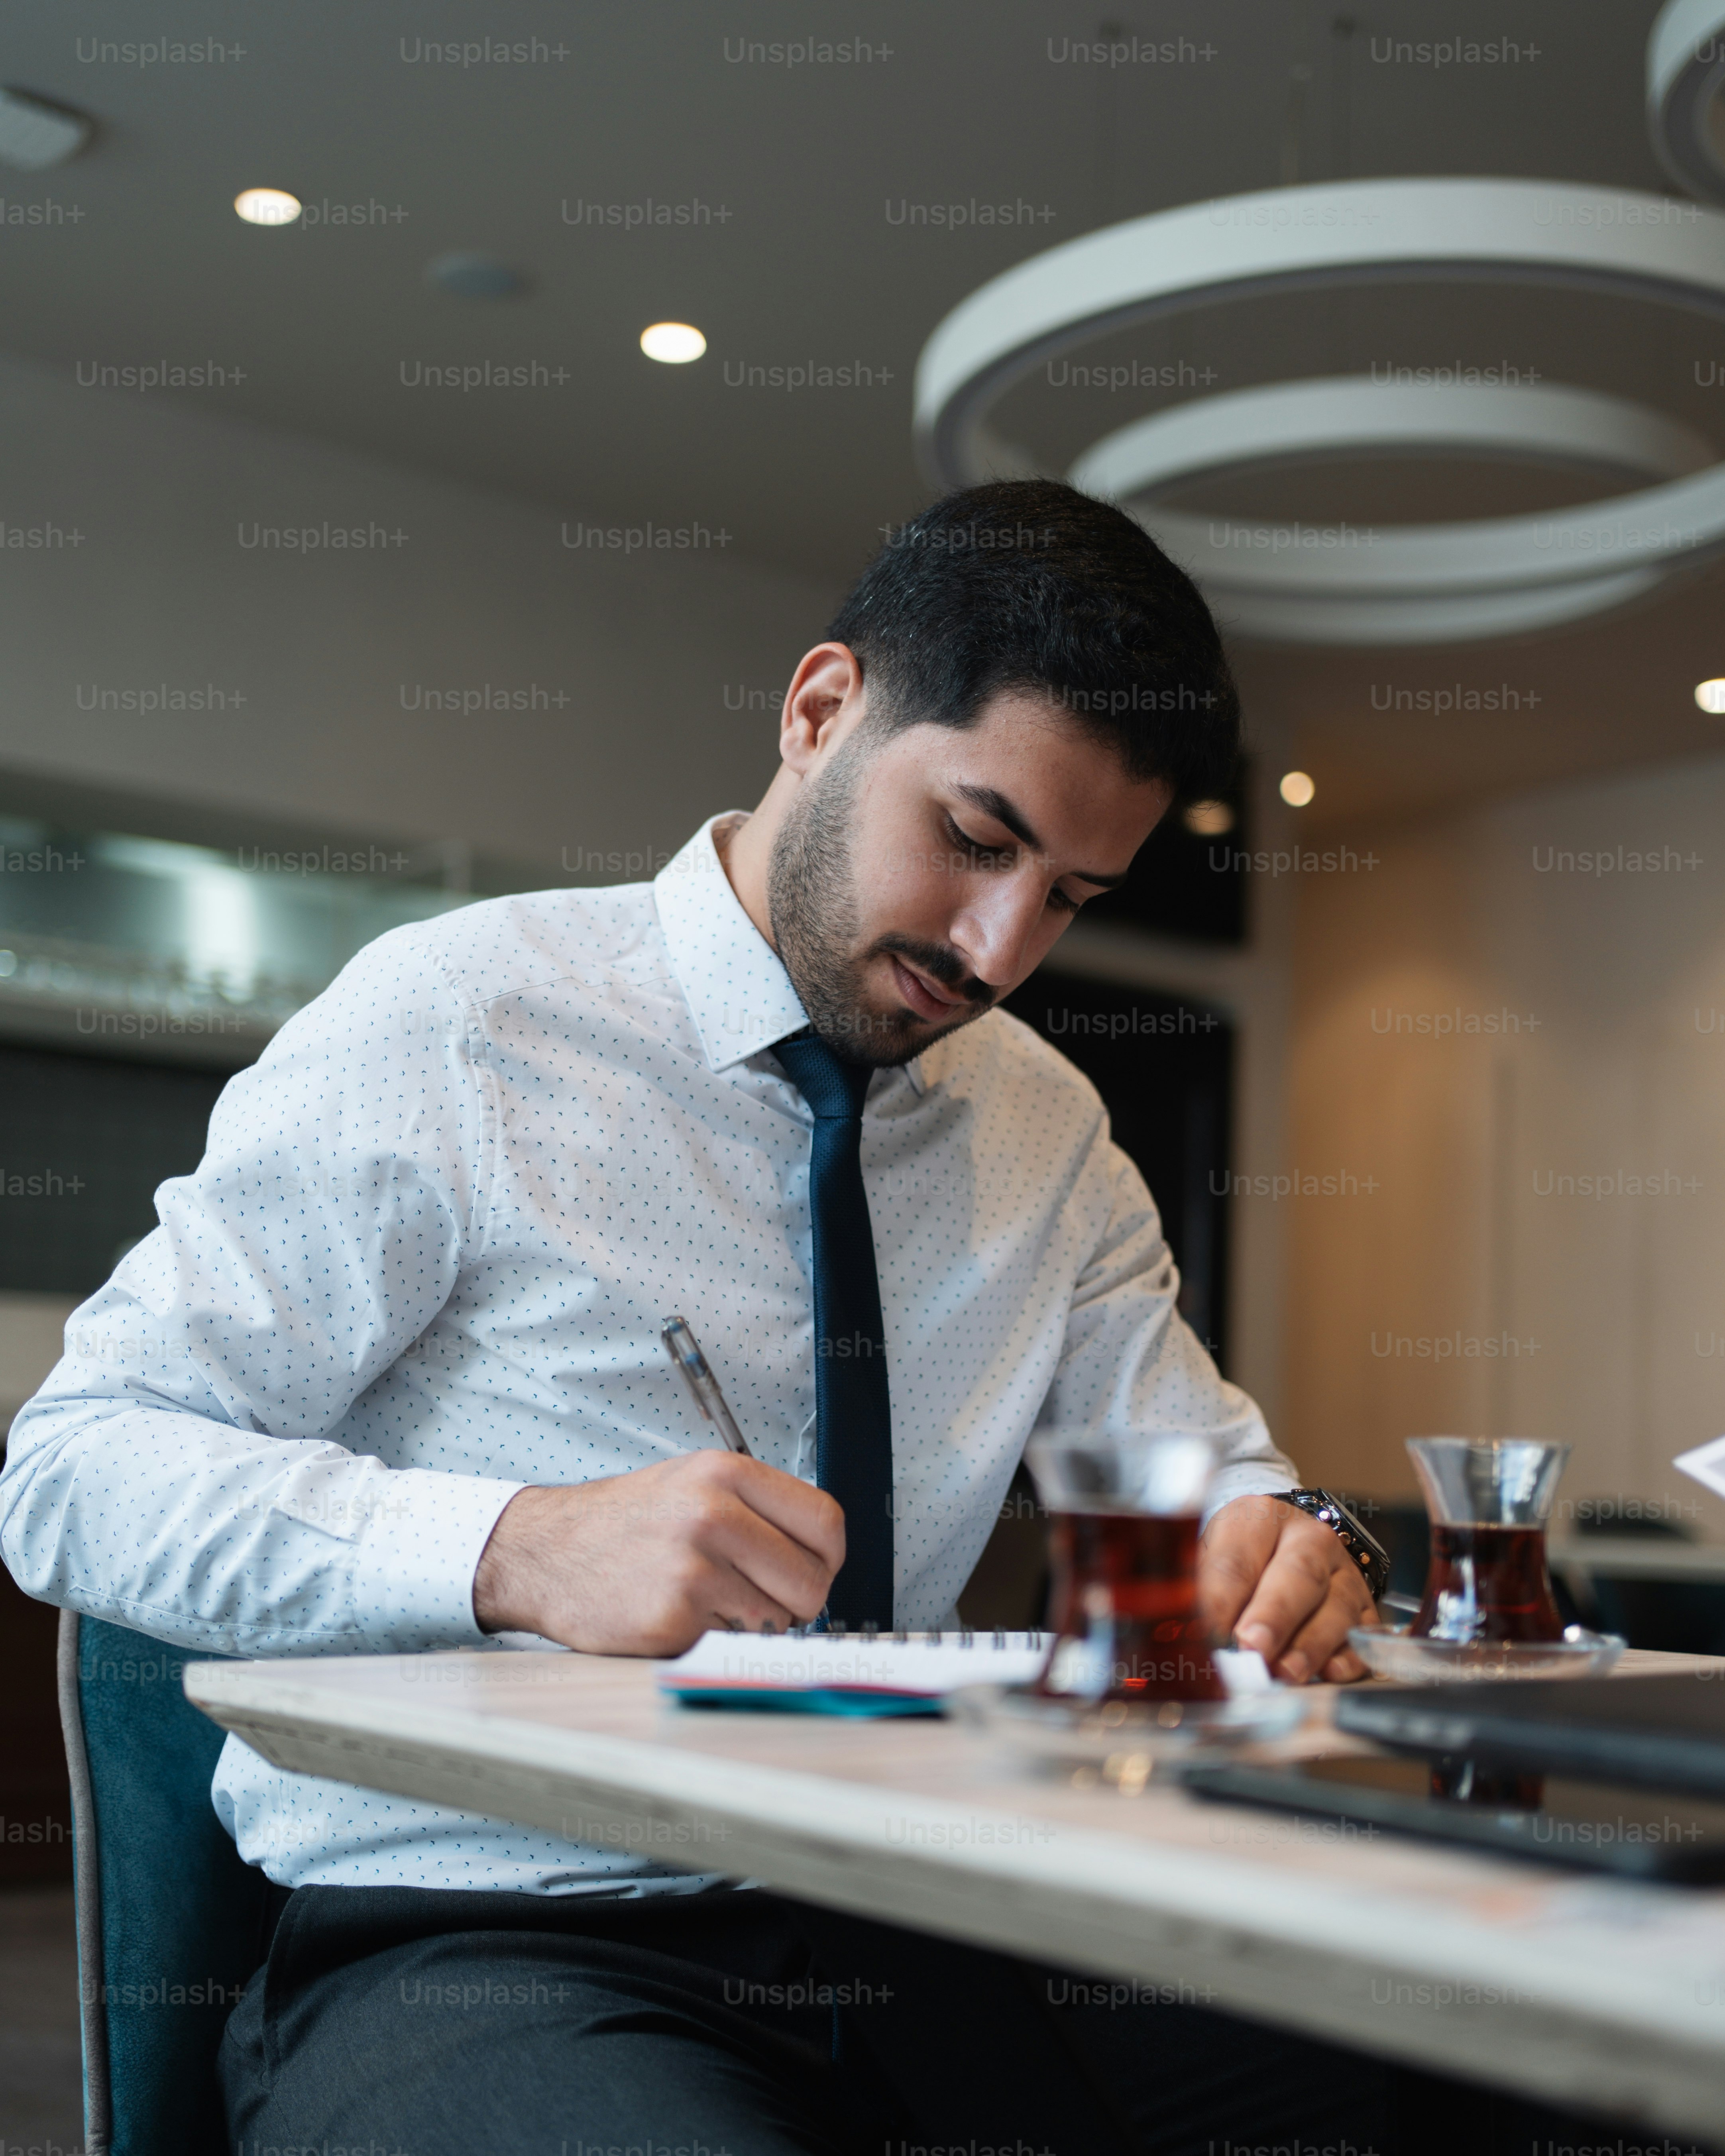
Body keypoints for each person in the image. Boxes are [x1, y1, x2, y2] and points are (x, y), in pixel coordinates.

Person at [1, 480, 1386, 2154]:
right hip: (489, 1931)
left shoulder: (1044, 1131)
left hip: (930, 1909)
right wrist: (512, 1549)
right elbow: (71, 1474)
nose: (1002, 949)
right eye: (974, 837)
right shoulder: (457, 1020)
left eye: (1073, 897)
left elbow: (1219, 1483)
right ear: (819, 711)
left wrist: (1291, 1535)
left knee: (1491, 2075)